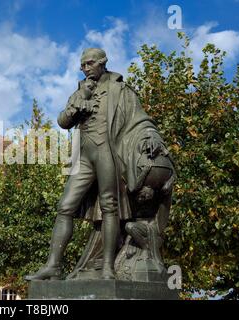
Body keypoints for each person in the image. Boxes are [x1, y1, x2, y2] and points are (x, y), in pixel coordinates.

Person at [25, 48, 171, 281]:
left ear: (103, 63)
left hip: (108, 153)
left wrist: (151, 137)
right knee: (65, 207)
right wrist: (77, 102)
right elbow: (63, 121)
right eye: (82, 65)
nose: (85, 68)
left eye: (89, 63)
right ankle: (53, 265)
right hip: (84, 158)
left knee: (109, 207)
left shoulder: (120, 90)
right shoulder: (81, 89)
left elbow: (141, 120)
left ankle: (107, 268)